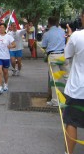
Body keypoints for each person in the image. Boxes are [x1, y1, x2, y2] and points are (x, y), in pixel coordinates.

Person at [63, 10, 84, 154]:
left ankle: (69, 152)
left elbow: (67, 54)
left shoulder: (77, 35)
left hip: (78, 88)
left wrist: (69, 36)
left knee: (71, 121)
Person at [41, 16, 67, 106]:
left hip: (53, 56)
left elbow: (43, 46)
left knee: (55, 79)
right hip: (63, 55)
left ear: (49, 23)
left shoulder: (47, 34)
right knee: (67, 77)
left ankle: (55, 101)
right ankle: (71, 98)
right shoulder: (63, 31)